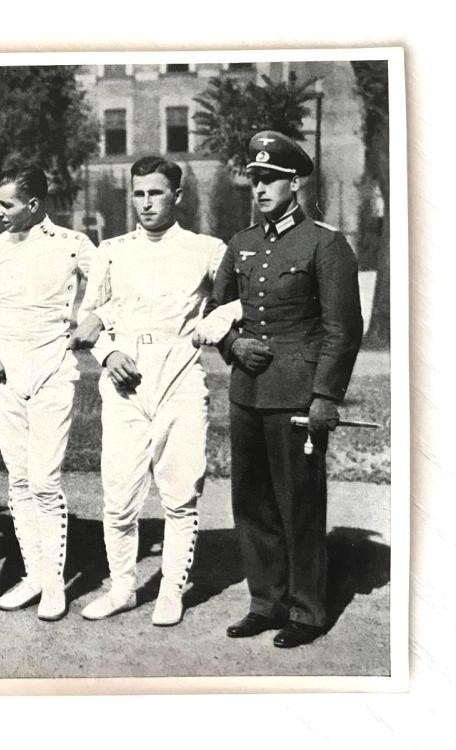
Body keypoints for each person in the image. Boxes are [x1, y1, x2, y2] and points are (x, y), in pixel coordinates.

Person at [207, 131, 363, 648]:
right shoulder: (241, 244)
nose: (260, 188)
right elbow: (213, 314)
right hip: (247, 395)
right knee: (251, 504)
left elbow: (343, 328)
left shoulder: (325, 243)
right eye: (255, 179)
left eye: (271, 179)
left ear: (295, 183)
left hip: (297, 397)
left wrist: (326, 397)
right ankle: (265, 603)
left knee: (298, 502)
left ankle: (308, 610)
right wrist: (233, 346)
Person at [69, 156, 227, 626]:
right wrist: (108, 355)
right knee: (118, 495)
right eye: (138, 193)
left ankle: (172, 590)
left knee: (180, 493)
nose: (146, 202)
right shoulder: (112, 250)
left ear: (177, 197)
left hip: (179, 374)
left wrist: (221, 320)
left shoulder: (207, 249)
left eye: (156, 193)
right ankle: (121, 588)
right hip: (125, 378)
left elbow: (237, 297)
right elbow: (88, 316)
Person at [0, 162, 97, 621]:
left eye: (6, 203)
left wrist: (96, 321)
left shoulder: (73, 245)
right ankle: (33, 575)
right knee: (17, 479)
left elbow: (110, 292)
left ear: (33, 205)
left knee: (44, 480)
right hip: (5, 375)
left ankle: (55, 585)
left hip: (53, 371)